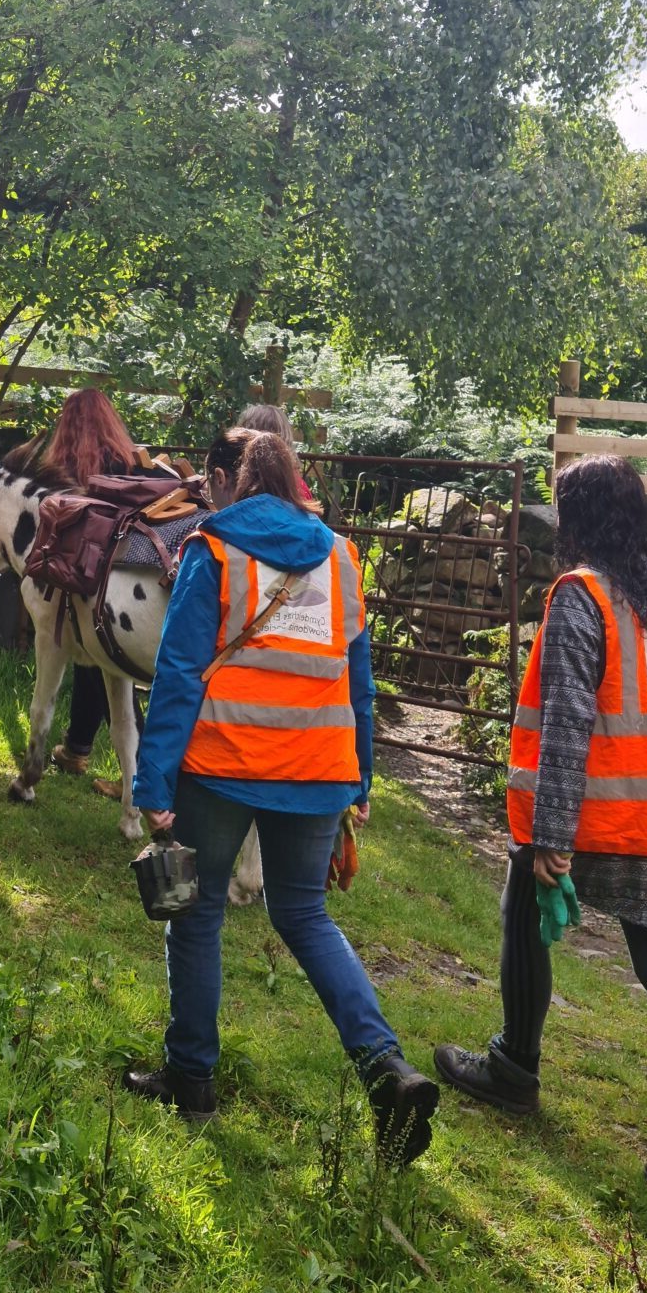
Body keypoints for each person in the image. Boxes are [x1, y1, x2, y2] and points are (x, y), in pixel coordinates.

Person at [126, 430, 441, 1164]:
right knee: (304, 914)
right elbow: (358, 677)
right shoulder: (340, 556)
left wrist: (152, 782)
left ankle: (192, 1078)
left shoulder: (213, 550)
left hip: (225, 764)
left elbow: (178, 673)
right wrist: (359, 774)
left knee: (197, 914)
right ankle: (385, 1066)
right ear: (297, 482)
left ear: (234, 482)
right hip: (319, 766)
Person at [437, 455, 647, 1205]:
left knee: (524, 915)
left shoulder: (584, 597)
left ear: (579, 520)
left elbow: (569, 722)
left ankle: (514, 1068)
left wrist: (553, 833)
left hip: (606, 814)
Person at [34, 389, 173, 781]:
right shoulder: (130, 462)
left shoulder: (64, 470)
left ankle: (141, 770)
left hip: (85, 572)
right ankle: (77, 747)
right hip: (134, 571)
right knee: (92, 660)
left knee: (104, 661)